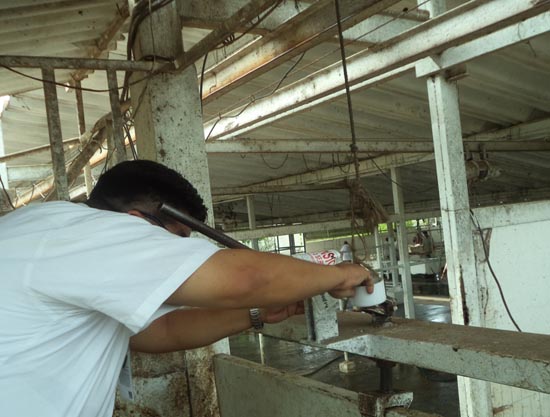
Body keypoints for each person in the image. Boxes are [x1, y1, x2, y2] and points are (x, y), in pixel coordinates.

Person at [0, 160, 373, 417]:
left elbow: (157, 332)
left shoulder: (46, 227)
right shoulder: (97, 234)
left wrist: (254, 314)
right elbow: (248, 278)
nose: (174, 251)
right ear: (137, 220)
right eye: (177, 239)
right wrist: (339, 275)